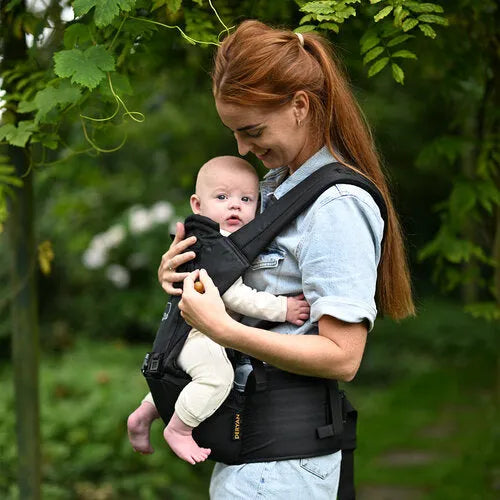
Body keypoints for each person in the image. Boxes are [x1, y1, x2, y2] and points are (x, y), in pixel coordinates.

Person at [138, 20, 415, 499]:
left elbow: (343, 357)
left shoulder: (336, 206)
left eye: (252, 130)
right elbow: (247, 283)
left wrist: (226, 330)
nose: (242, 148)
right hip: (256, 457)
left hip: (282, 464)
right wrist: (183, 269)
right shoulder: (271, 193)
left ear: (300, 106)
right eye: (234, 133)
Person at [127, 155, 310, 465]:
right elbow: (234, 294)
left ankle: (145, 412)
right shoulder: (217, 246)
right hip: (199, 335)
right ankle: (179, 430)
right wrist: (283, 308)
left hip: (180, 335)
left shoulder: (205, 240)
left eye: (246, 198)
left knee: (182, 377)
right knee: (217, 377)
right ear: (197, 204)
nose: (235, 205)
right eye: (222, 197)